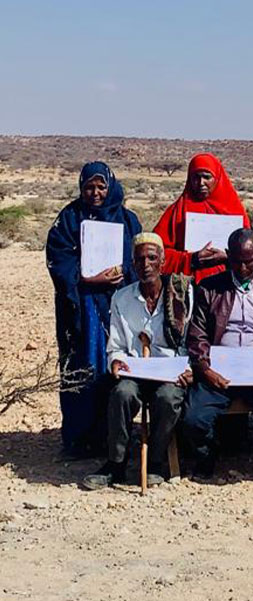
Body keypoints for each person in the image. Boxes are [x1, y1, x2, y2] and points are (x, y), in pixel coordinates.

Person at [182, 229, 253, 479]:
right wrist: (205, 369)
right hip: (218, 371)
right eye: (236, 261)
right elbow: (197, 334)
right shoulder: (209, 288)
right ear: (227, 256)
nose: (243, 268)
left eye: (249, 261)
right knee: (193, 419)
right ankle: (207, 456)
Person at [46, 161, 142, 458]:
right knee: (82, 365)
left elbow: (140, 259)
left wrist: (124, 275)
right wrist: (87, 278)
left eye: (101, 187)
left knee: (117, 365)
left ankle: (114, 438)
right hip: (82, 306)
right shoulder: (69, 218)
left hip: (118, 304)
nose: (96, 193)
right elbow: (58, 259)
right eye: (89, 187)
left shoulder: (128, 220)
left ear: (110, 186)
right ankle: (79, 439)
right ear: (81, 187)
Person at [83, 233, 193, 489]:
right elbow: (116, 347)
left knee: (168, 398)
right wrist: (116, 361)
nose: (146, 265)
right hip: (135, 371)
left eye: (152, 258)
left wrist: (187, 369)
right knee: (122, 394)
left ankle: (155, 461)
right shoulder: (122, 298)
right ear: (133, 264)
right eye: (140, 259)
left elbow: (191, 341)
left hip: (170, 372)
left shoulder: (181, 293)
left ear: (162, 261)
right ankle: (116, 465)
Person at [153, 153, 251, 284]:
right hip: (186, 286)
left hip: (228, 286)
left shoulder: (234, 210)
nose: (201, 183)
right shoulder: (177, 211)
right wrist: (191, 259)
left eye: (207, 177)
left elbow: (250, 253)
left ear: (217, 178)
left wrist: (229, 258)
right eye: (196, 177)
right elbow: (155, 253)